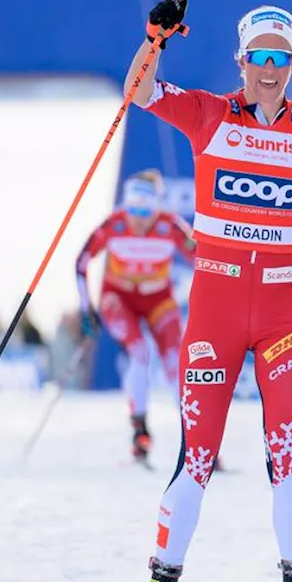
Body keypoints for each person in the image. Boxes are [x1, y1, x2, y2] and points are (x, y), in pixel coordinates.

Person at [117, 0, 292, 582]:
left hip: (280, 314)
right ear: (241, 60)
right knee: (197, 455)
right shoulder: (210, 114)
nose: (270, 69)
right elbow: (136, 90)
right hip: (215, 312)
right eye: (260, 57)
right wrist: (154, 38)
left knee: (286, 452)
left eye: (282, 58)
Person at [75, 168, 197, 466]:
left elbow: (203, 262)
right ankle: (140, 435)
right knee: (139, 353)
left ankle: (197, 442)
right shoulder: (115, 225)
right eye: (133, 209)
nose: (138, 219)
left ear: (156, 208)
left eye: (145, 210)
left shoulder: (170, 226)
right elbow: (81, 263)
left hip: (158, 300)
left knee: (175, 363)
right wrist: (86, 308)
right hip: (120, 299)